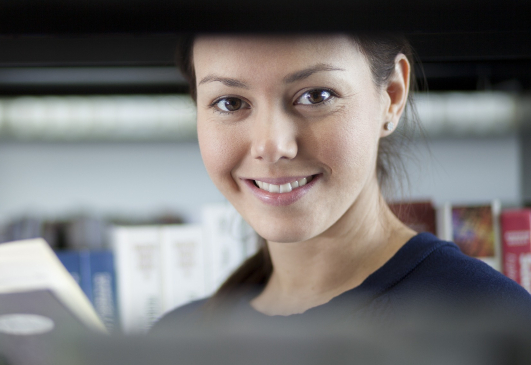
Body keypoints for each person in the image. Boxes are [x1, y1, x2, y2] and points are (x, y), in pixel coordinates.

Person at [152, 34, 531, 333]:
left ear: (392, 96)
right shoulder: (175, 338)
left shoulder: (494, 323)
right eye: (230, 103)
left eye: (316, 96)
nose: (272, 147)